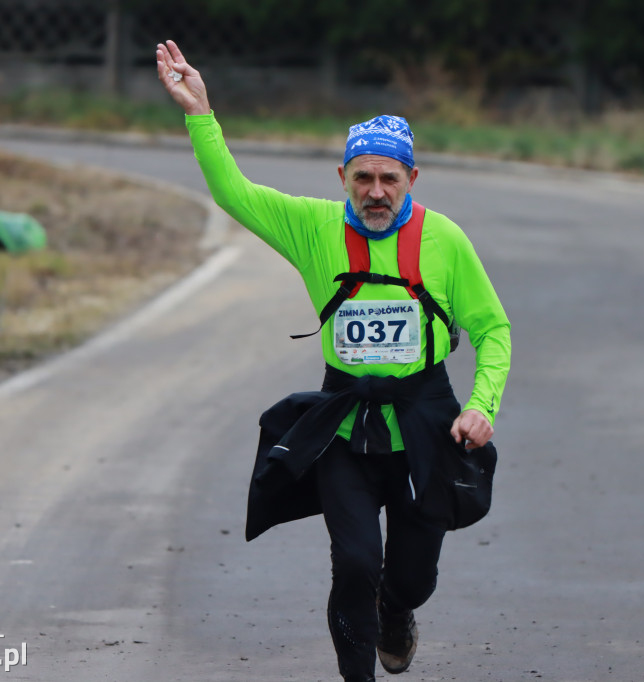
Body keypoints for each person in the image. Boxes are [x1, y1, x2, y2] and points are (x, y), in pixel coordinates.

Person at [156, 40, 511, 682]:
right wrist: (199, 113)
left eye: (389, 179)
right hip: (344, 423)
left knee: (410, 577)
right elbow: (233, 194)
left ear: (412, 180)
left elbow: (493, 330)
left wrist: (481, 407)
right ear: (341, 179)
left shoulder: (445, 240)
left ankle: (397, 613)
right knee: (353, 563)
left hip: (423, 420)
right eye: (363, 178)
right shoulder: (315, 228)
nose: (376, 192)